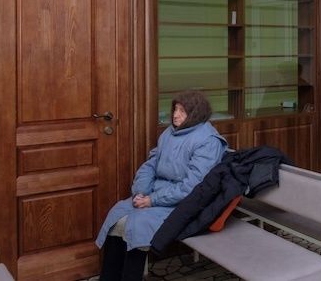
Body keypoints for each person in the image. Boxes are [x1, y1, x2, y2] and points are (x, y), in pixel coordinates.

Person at [95, 90, 228, 281]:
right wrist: (140, 192)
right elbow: (150, 165)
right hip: (156, 195)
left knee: (137, 225)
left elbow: (193, 187)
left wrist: (152, 200)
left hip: (184, 204)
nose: (175, 115)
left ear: (195, 113)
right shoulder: (170, 133)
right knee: (117, 214)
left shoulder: (208, 141)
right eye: (175, 109)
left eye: (182, 111)